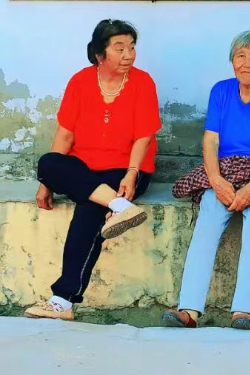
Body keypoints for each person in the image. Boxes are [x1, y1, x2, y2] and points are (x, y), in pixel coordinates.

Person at [162, 31, 250, 330]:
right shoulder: (221, 91)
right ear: (232, 61)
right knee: (209, 208)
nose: (247, 64)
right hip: (227, 172)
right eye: (241, 56)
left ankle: (244, 311)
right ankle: (188, 309)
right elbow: (211, 141)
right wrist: (216, 180)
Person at [25, 19, 161, 321]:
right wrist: (47, 183)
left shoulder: (142, 82)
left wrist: (132, 174)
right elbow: (65, 135)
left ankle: (62, 301)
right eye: (119, 48)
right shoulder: (80, 81)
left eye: (131, 47)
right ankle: (119, 207)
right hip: (84, 170)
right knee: (48, 163)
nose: (128, 54)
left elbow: (144, 136)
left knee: (89, 208)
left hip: (125, 170)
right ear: (100, 54)